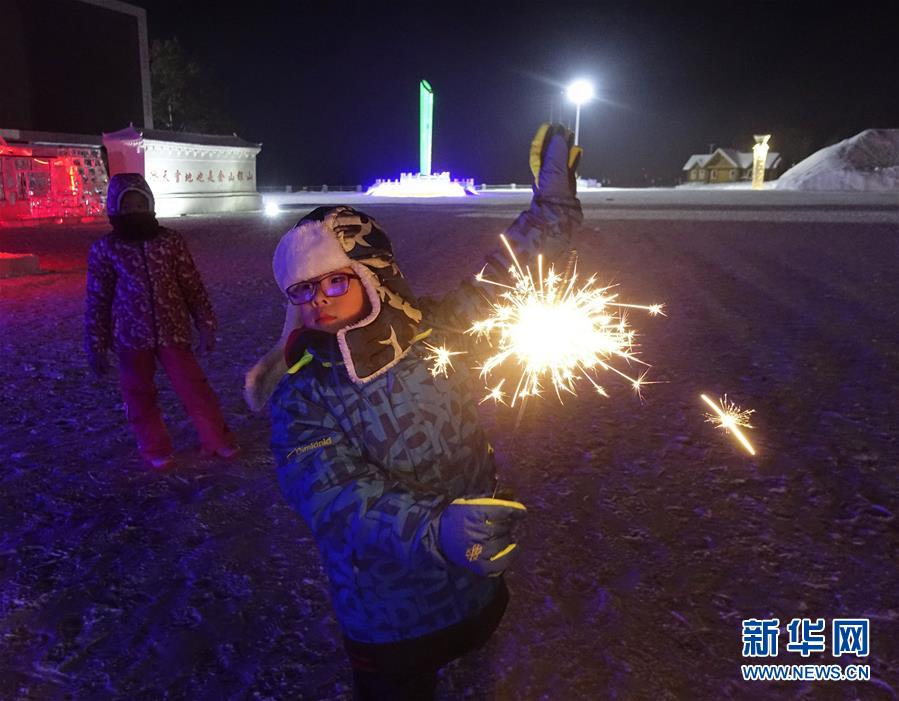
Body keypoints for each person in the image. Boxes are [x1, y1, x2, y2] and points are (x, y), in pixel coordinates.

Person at [246, 124, 583, 699]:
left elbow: (505, 279)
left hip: (474, 586)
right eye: (303, 290)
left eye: (335, 281)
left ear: (372, 275)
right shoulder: (303, 394)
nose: (318, 299)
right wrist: (433, 529)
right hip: (387, 616)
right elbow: (332, 497)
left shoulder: (434, 333)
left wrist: (552, 211)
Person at [84, 173, 239, 468]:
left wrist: (205, 324)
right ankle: (155, 447)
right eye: (126, 206)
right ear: (114, 208)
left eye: (139, 205)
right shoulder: (106, 249)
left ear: (150, 204)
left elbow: (191, 284)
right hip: (131, 336)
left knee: (194, 387)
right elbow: (98, 300)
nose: (134, 211)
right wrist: (96, 344)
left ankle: (217, 438)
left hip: (173, 330)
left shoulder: (169, 241)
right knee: (138, 393)